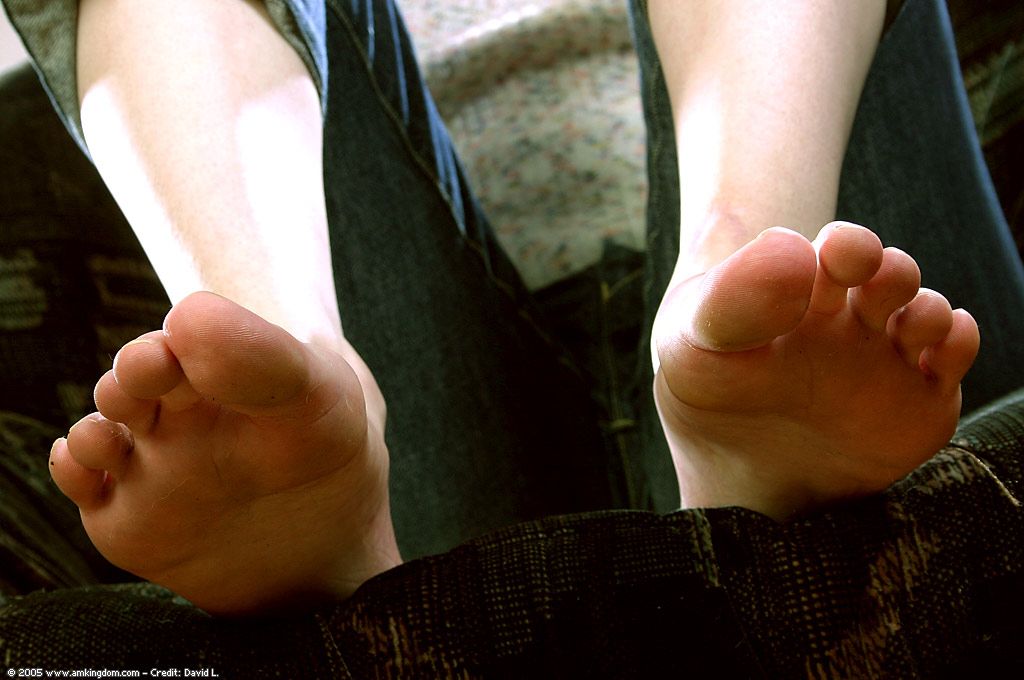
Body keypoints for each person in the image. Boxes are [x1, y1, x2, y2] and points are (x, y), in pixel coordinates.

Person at [1, 0, 1022, 675]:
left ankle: (745, 260)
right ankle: (285, 365)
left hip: (808, 273)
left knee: (770, 270)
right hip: (419, 346)